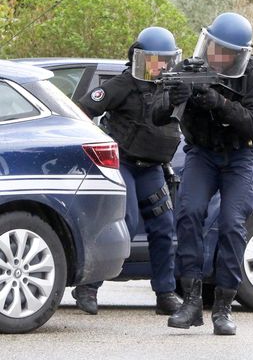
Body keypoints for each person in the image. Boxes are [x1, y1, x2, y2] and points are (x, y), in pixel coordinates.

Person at [152, 12, 253, 335]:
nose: (217, 56)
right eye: (214, 47)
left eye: (225, 52)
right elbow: (157, 113)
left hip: (240, 156)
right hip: (202, 154)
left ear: (238, 54)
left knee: (232, 223)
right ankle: (191, 301)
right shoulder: (189, 69)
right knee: (189, 212)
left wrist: (218, 102)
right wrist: (172, 100)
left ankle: (223, 307)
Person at [73, 26, 183, 315]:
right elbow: (80, 112)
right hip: (121, 164)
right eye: (153, 59)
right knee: (124, 220)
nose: (159, 65)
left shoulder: (171, 88)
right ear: (139, 57)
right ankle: (88, 287)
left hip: (152, 168)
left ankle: (165, 294)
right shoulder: (121, 85)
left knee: (163, 226)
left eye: (164, 60)